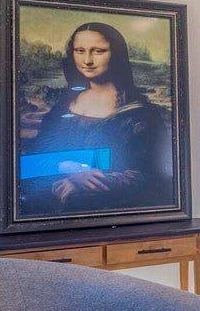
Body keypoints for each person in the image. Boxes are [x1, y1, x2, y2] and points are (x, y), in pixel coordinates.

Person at [17, 21, 175, 217]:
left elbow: (150, 174)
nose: (87, 60)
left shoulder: (141, 114)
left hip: (115, 214)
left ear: (115, 54)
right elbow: (38, 156)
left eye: (98, 51)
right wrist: (72, 172)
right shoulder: (64, 105)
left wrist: (92, 183)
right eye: (80, 50)